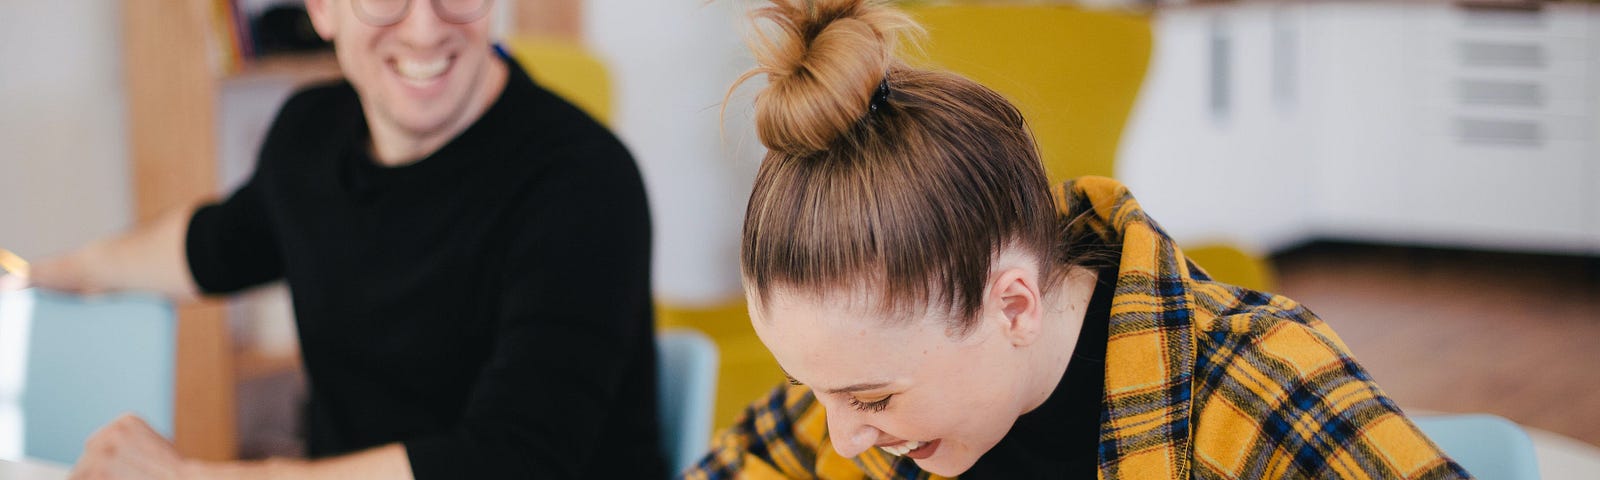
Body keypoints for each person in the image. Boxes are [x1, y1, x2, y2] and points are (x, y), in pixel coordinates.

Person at [682, 0, 1470, 478]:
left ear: (1016, 304)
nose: (845, 440)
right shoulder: (868, 381)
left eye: (872, 399)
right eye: (819, 390)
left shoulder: (1256, 386)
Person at [2, 0, 663, 478]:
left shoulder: (583, 181)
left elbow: (509, 459)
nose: (426, 25)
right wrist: (49, 270)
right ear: (322, 8)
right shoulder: (310, 136)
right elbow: (211, 245)